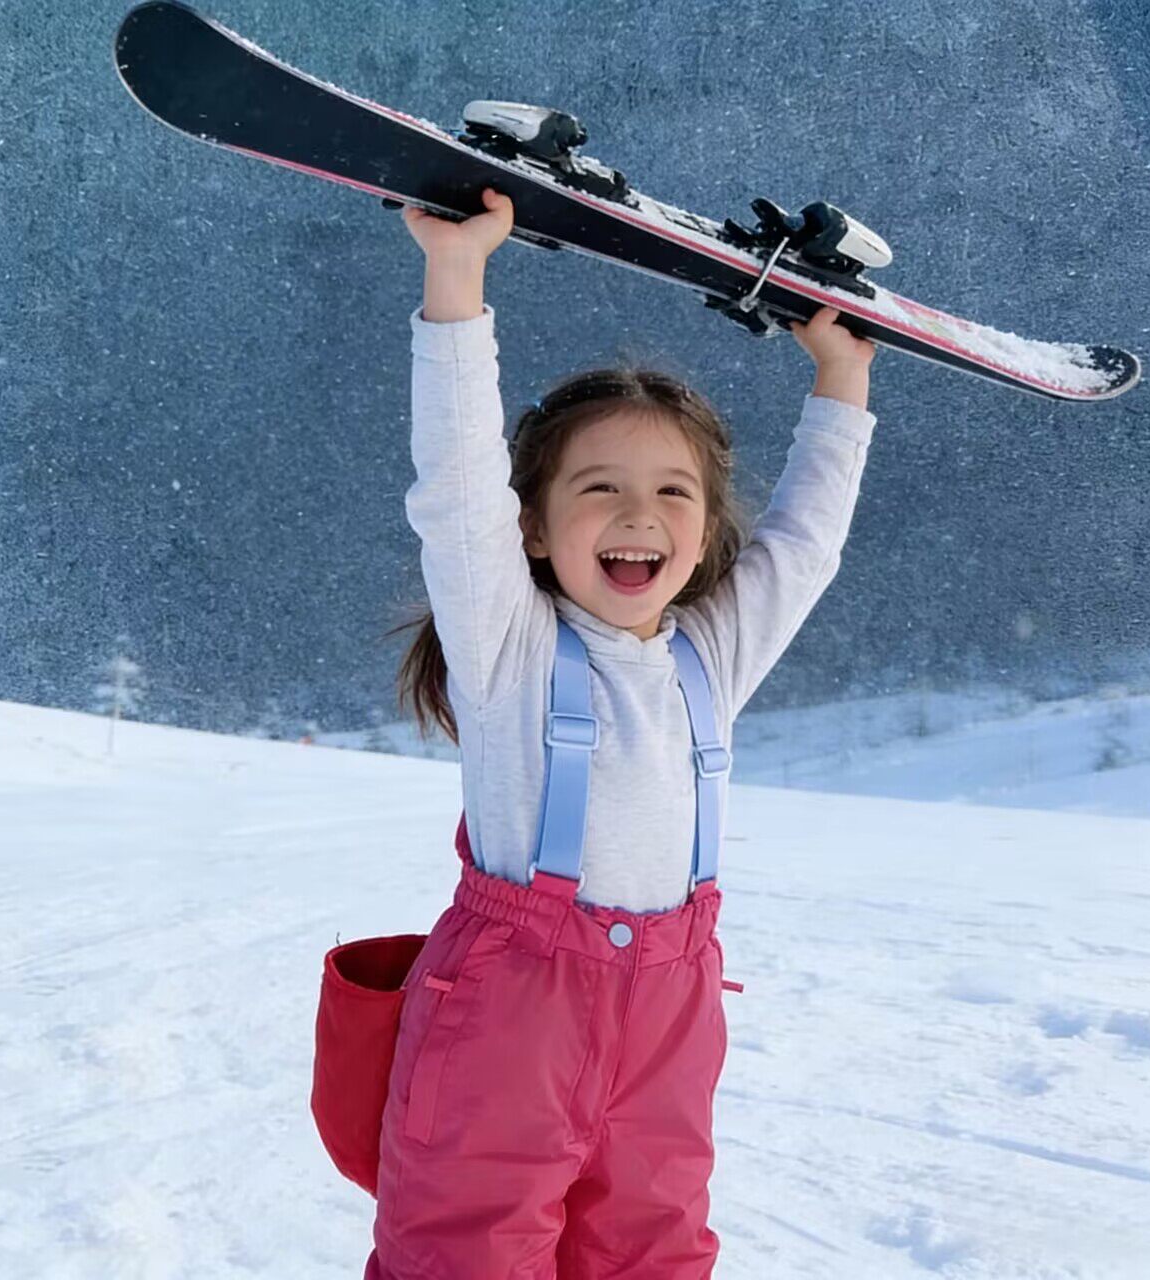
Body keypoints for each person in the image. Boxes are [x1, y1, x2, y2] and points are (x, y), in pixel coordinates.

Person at [365, 186, 878, 1279]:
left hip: (671, 1010)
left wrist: (841, 379)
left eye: (671, 490)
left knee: (650, 1248)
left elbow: (805, 544)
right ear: (536, 531)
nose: (640, 513)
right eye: (598, 487)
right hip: (512, 1009)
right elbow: (455, 488)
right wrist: (456, 280)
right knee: (469, 1250)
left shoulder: (709, 655)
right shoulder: (507, 645)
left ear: (703, 528)